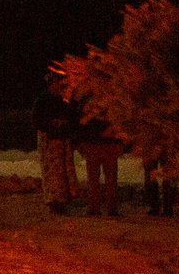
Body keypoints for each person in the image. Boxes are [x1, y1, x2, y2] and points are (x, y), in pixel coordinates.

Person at [33, 81, 79, 213]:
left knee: (64, 172)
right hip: (50, 141)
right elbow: (37, 120)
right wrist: (50, 124)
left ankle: (64, 199)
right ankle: (54, 201)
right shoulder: (43, 100)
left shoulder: (64, 100)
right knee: (53, 173)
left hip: (62, 140)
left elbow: (72, 115)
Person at [76, 106, 126, 217]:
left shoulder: (111, 103)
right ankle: (96, 208)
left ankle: (108, 209)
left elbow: (119, 123)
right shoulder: (90, 104)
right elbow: (81, 123)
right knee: (96, 179)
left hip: (107, 145)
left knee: (109, 178)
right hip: (94, 145)